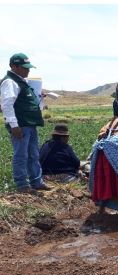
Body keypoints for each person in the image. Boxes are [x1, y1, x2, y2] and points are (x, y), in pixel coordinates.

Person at [0, 53, 50, 192]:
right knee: (21, 155)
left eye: (28, 68)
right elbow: (7, 105)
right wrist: (14, 126)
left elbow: (28, 103)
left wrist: (40, 98)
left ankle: (36, 182)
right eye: (24, 67)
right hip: (20, 125)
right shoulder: (10, 82)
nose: (27, 70)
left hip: (30, 124)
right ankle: (22, 184)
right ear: (13, 66)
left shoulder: (23, 82)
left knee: (33, 154)